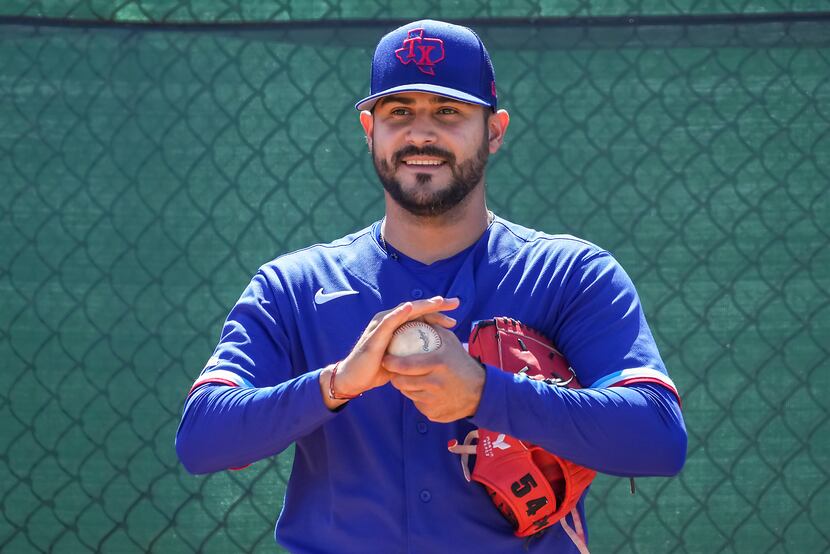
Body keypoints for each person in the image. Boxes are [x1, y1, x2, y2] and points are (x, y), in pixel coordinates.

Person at [175, 19, 687, 553]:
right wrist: (337, 384)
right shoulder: (294, 287)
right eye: (400, 113)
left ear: (494, 130)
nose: (421, 134)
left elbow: (657, 439)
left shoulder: (568, 274)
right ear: (370, 130)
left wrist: (488, 394)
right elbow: (201, 440)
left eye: (448, 112)